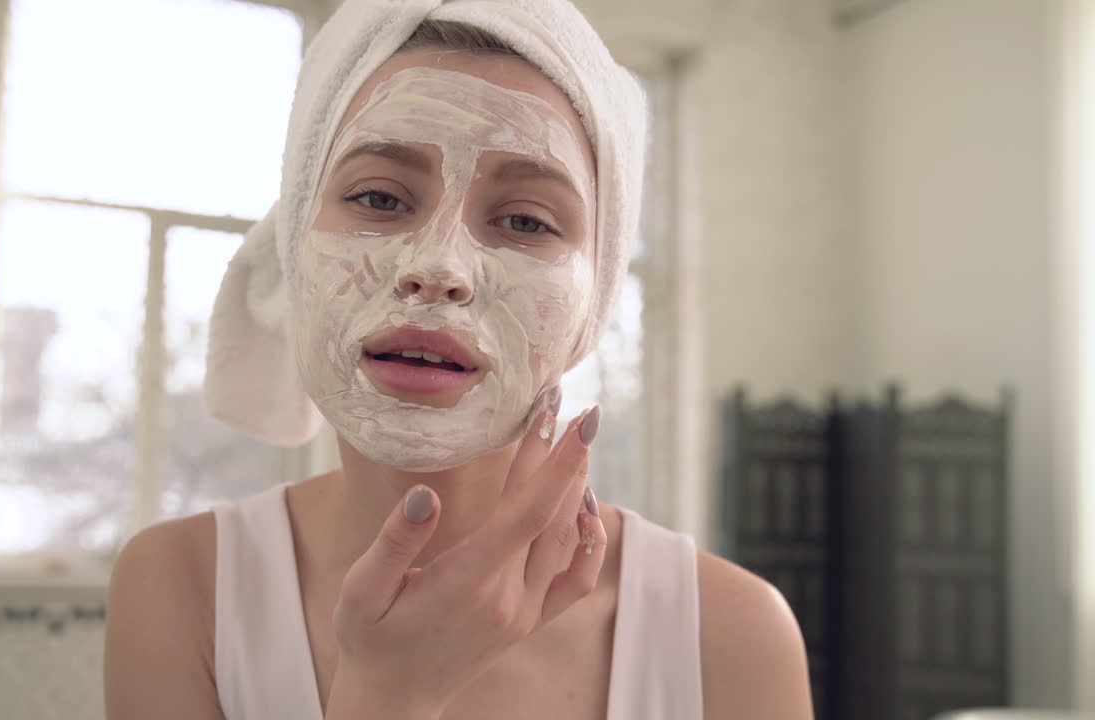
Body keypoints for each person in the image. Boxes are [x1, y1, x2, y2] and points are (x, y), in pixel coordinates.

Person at [103, 1, 814, 718]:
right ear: (291, 248)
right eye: (379, 197)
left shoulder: (731, 632)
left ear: (590, 306)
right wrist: (389, 696)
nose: (439, 268)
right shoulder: (182, 585)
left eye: (526, 220)